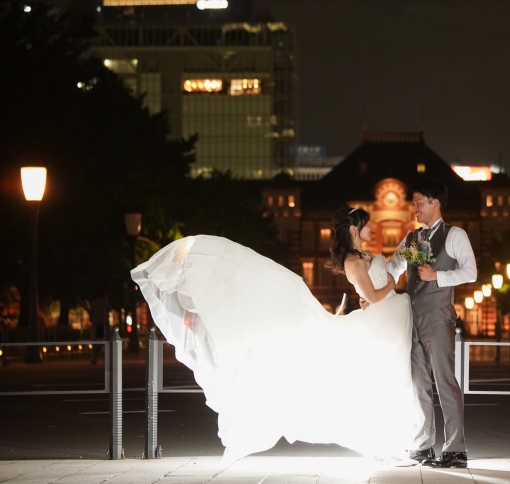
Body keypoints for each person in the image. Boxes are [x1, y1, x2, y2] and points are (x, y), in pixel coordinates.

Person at [131, 207, 420, 467]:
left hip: (388, 319)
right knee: (380, 382)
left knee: (387, 380)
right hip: (383, 321)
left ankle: (393, 444)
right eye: (367, 225)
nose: (373, 229)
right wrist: (392, 284)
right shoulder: (353, 262)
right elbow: (371, 293)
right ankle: (389, 447)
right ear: (354, 230)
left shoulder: (363, 256)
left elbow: (369, 293)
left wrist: (378, 292)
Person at [376, 178, 477, 468]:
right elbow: (392, 270)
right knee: (418, 383)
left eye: (419, 202)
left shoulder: (454, 234)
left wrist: (439, 277)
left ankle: (455, 449)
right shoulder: (414, 239)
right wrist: (371, 292)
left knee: (444, 380)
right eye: (414, 203)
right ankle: (422, 446)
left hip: (438, 313)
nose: (415, 208)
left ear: (435, 203)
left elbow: (470, 272)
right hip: (412, 314)